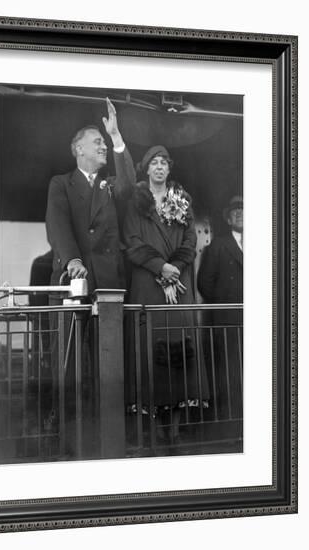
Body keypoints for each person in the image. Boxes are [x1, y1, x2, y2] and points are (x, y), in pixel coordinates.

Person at [123, 145, 209, 444]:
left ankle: (175, 428)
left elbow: (189, 238)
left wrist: (176, 269)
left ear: (169, 169)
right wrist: (161, 268)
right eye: (154, 163)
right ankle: (152, 432)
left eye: (164, 163)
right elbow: (131, 241)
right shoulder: (136, 199)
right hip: (148, 281)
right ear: (145, 168)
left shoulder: (181, 200)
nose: (159, 167)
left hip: (179, 282)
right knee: (150, 351)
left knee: (178, 349)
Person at [46, 98, 136, 293]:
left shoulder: (111, 184)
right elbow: (58, 225)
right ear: (80, 149)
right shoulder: (61, 184)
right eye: (98, 142)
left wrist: (115, 135)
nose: (104, 146)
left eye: (105, 142)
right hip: (75, 277)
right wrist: (73, 260)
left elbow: (128, 185)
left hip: (109, 280)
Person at [197, 196, 243, 421]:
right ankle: (230, 420)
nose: (240, 213)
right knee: (231, 372)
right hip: (229, 321)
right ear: (227, 218)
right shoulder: (217, 245)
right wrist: (226, 305)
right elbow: (204, 282)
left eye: (244, 209)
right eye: (235, 210)